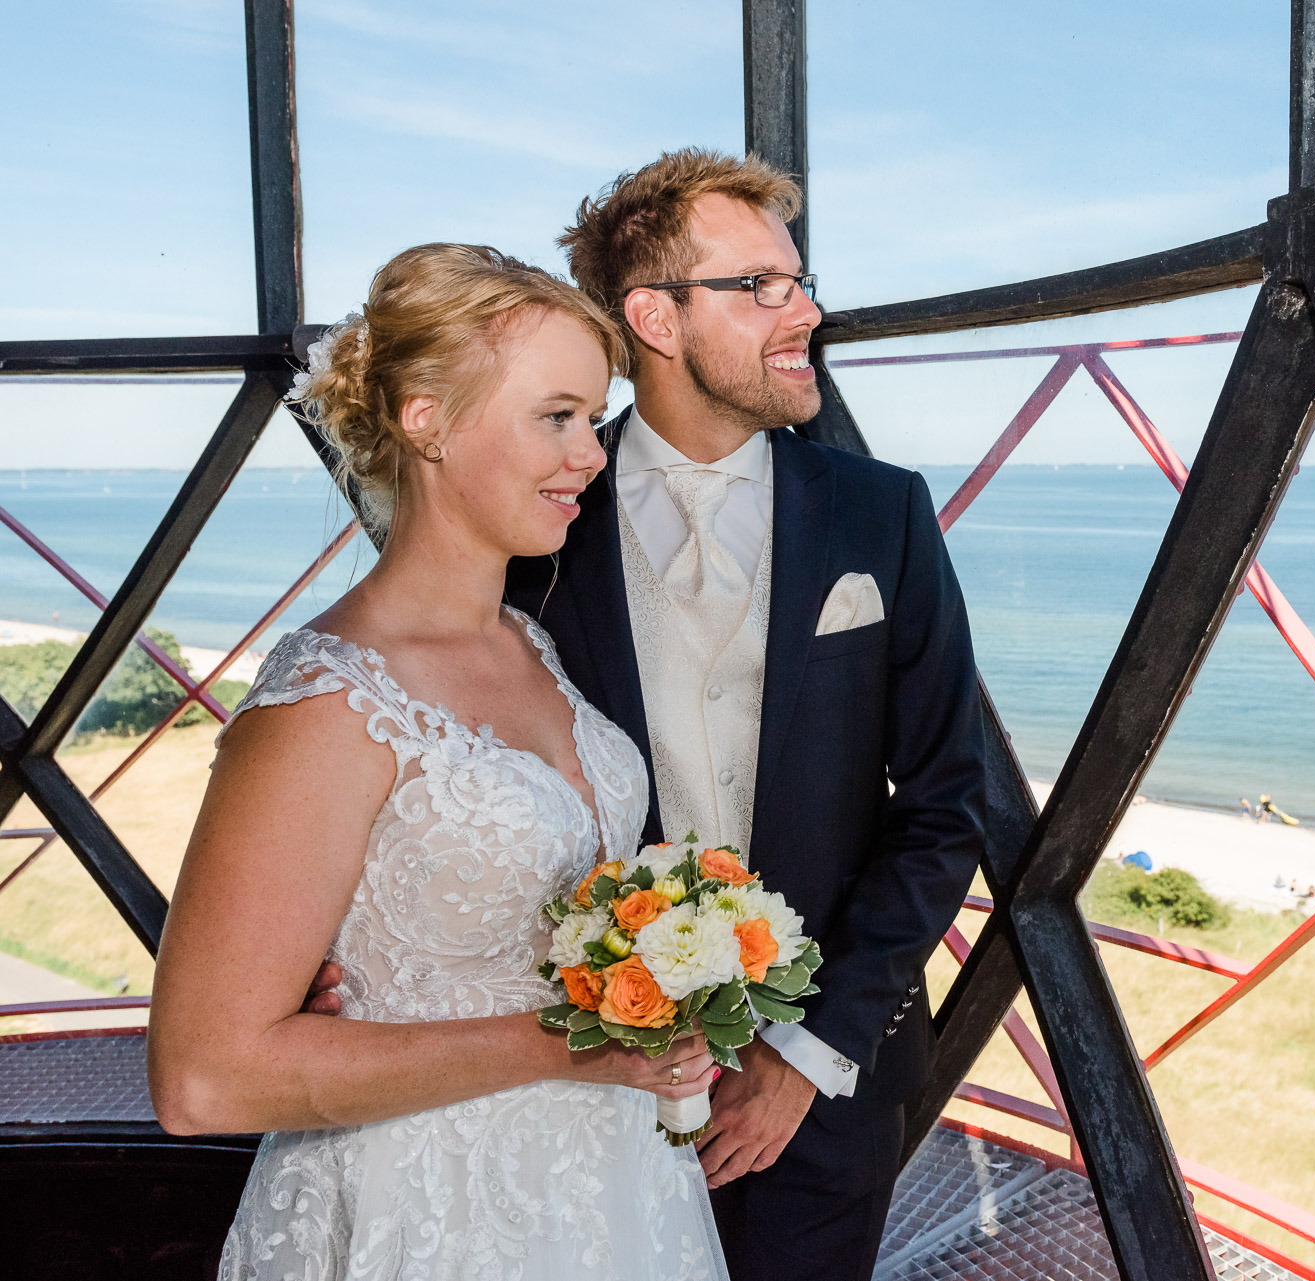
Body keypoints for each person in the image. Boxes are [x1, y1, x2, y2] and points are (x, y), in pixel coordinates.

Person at [148, 245, 727, 1280]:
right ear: (427, 420)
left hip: (610, 1191)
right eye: (555, 416)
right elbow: (205, 1077)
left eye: (591, 419)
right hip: (422, 1215)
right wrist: (571, 1044)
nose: (592, 454)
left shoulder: (529, 645)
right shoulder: (328, 700)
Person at [514, 149, 986, 1279]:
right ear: (655, 318)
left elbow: (944, 806)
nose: (806, 311)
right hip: (582, 1080)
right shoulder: (533, 524)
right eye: (761, 287)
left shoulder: (885, 514)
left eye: (800, 280)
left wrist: (802, 1055)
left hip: (824, 1103)